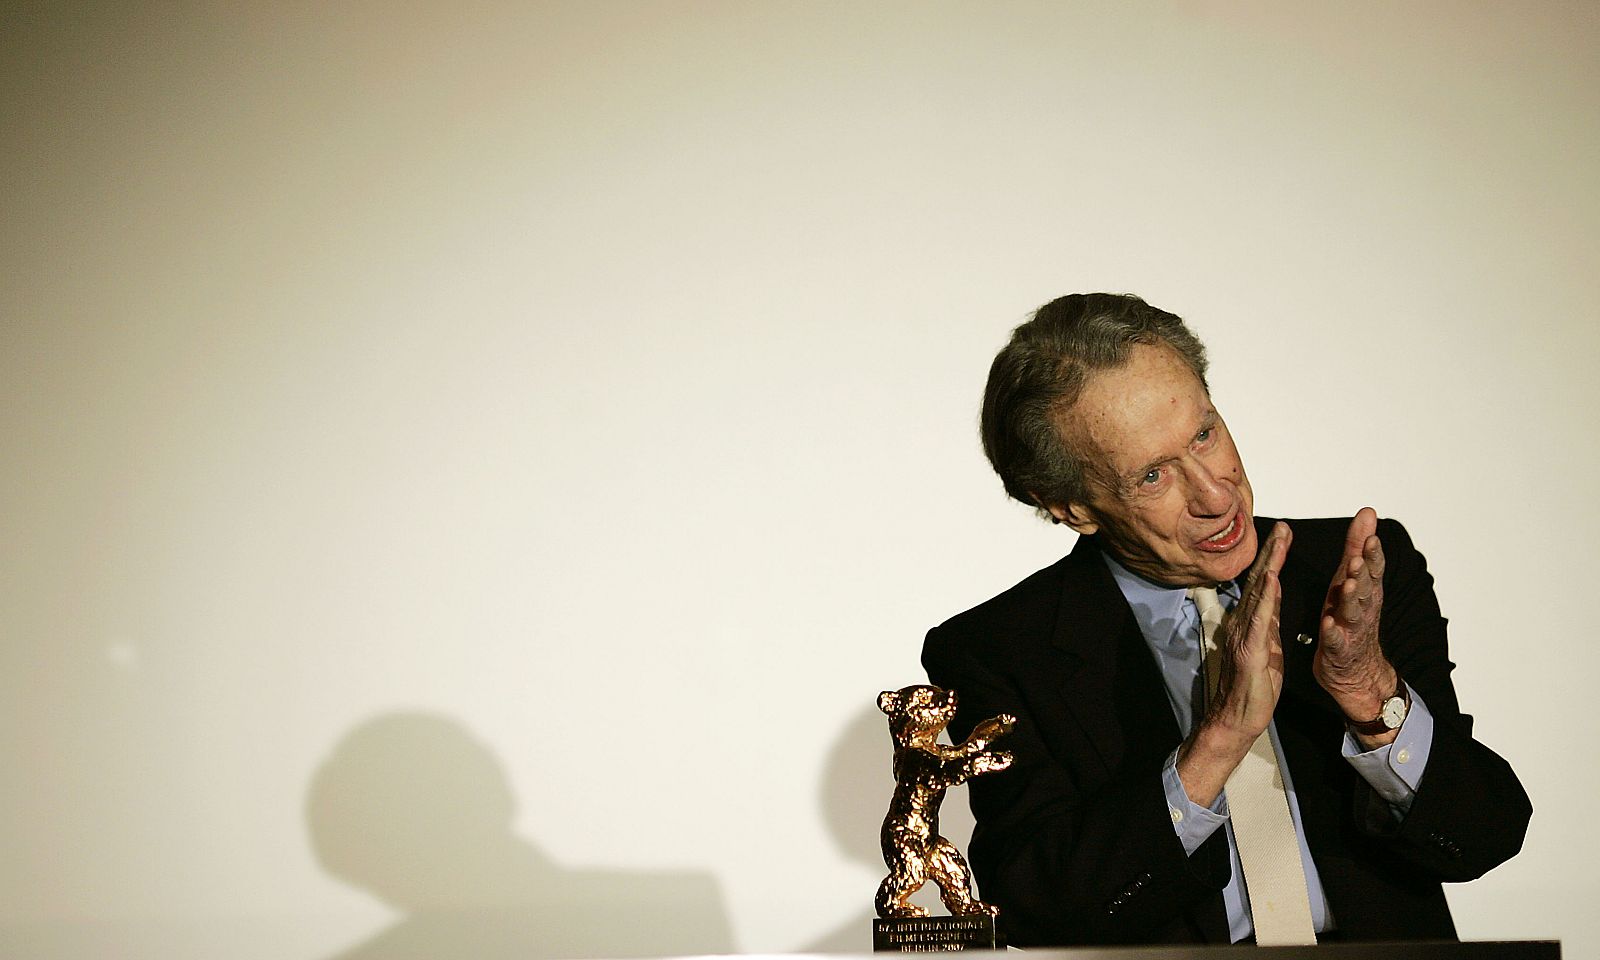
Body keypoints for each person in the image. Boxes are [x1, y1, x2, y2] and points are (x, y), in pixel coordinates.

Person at [922, 293, 1530, 946]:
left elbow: (1484, 836)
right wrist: (1219, 741)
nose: (1216, 495)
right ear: (1072, 507)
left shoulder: (1349, 572)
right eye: (1153, 476)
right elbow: (1038, 911)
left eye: (1204, 435)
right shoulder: (998, 650)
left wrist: (1368, 692)